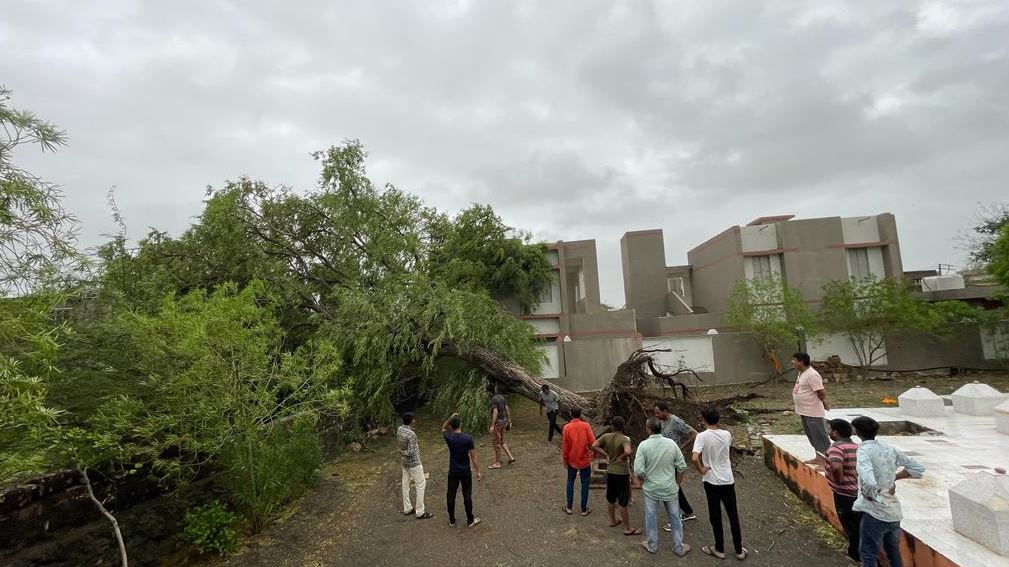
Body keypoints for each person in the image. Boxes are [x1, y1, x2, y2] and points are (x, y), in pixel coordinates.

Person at [851, 416, 924, 567]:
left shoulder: (863, 451)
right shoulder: (889, 448)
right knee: (893, 551)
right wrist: (892, 479)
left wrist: (872, 495)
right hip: (893, 511)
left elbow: (868, 480)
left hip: (875, 512)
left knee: (868, 552)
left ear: (856, 432)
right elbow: (917, 469)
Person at [693, 407, 747, 560]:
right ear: (718, 419)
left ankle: (719, 548)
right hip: (727, 479)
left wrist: (701, 470)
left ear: (704, 420)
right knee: (733, 514)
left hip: (711, 480)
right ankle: (739, 550)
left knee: (715, 515)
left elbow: (694, 457)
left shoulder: (702, 437)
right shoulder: (727, 434)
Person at [634, 417, 691, 557]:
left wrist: (642, 482)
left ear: (648, 429)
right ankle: (678, 547)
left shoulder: (643, 445)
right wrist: (678, 483)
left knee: (651, 516)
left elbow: (639, 470)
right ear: (661, 428)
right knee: (675, 517)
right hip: (670, 488)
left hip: (651, 489)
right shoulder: (671, 444)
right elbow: (682, 466)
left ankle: (652, 545)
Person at [591, 416, 640, 535]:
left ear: (613, 426)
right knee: (623, 501)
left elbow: (594, 445)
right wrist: (621, 457)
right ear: (623, 426)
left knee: (611, 497)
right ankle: (627, 528)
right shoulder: (624, 439)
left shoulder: (606, 436)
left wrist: (606, 454)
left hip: (610, 471)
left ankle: (613, 521)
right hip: (621, 472)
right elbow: (628, 451)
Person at [653, 402, 698, 527]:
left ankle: (678, 518)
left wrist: (682, 446)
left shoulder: (676, 421)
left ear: (665, 410)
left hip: (674, 459)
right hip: (665, 459)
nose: (656, 415)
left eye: (658, 412)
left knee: (672, 487)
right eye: (655, 413)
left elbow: (694, 433)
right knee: (673, 487)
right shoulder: (661, 421)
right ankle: (687, 512)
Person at [826, 418, 861, 562]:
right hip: (856, 491)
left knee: (850, 526)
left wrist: (838, 480)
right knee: (857, 523)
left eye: (829, 429)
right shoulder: (857, 447)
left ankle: (855, 555)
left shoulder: (837, 447)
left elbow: (835, 466)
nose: (828, 432)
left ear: (835, 432)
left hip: (843, 493)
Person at [442, 412, 483, 527]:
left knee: (451, 495)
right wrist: (478, 471)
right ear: (460, 424)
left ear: (451, 425)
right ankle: (470, 519)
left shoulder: (449, 437)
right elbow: (473, 456)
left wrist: (450, 417)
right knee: (467, 495)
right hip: (465, 471)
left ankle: (452, 519)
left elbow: (443, 428)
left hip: (453, 471)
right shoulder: (467, 438)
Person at [792, 352, 831, 467]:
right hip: (804, 411)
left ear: (801, 362)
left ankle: (826, 462)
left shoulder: (812, 374)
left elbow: (820, 391)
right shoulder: (801, 373)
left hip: (812, 411)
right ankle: (818, 458)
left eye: (794, 360)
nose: (792, 363)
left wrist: (823, 402)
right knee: (812, 436)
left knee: (820, 436)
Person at [397, 412, 434, 519]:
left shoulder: (400, 429)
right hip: (414, 463)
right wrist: (401, 451)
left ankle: (407, 508)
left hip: (404, 463)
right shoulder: (412, 435)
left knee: (405, 484)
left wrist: (401, 452)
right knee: (421, 484)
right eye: (413, 419)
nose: (415, 421)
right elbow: (410, 452)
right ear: (411, 421)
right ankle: (420, 512)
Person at [561, 407, 596, 516]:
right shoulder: (586, 426)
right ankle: (584, 509)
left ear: (571, 414)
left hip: (572, 459)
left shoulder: (566, 428)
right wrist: (594, 454)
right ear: (580, 414)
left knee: (570, 482)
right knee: (585, 483)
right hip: (584, 459)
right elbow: (593, 442)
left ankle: (569, 507)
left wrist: (565, 459)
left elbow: (565, 446)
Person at [488, 388, 515, 469]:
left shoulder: (493, 400)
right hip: (504, 422)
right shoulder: (501, 397)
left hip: (498, 424)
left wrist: (492, 425)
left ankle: (497, 463)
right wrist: (509, 420)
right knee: (502, 441)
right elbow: (506, 408)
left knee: (496, 443)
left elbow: (495, 412)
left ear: (489, 393)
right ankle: (511, 457)